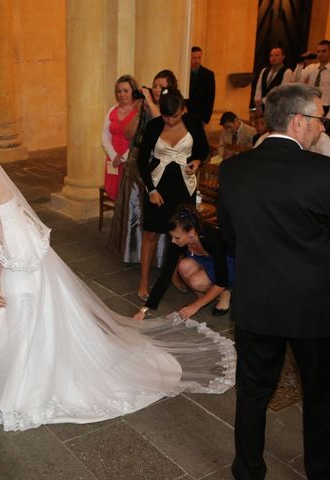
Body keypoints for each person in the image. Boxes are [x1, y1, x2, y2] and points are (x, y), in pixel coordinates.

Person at [0, 128, 235, 432]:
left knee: (14, 307)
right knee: (21, 312)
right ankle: (9, 372)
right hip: (19, 246)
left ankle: (26, 384)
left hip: (12, 255)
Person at [218, 83, 330, 479]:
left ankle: (248, 471)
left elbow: (230, 237)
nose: (323, 126)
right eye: (320, 118)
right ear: (299, 121)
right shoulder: (324, 173)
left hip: (256, 304)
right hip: (313, 309)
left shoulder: (234, 169)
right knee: (320, 398)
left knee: (252, 395)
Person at [136, 89, 209, 302]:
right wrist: (151, 190)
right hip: (158, 185)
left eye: (174, 116)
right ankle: (143, 281)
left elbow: (203, 149)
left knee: (180, 236)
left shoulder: (193, 123)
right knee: (151, 234)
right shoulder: (154, 126)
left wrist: (197, 162)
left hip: (184, 186)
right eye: (166, 116)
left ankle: (175, 275)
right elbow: (141, 162)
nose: (169, 120)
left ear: (183, 110)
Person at [108, 70, 177, 265]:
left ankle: (159, 257)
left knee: (155, 213)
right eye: (154, 85)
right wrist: (139, 111)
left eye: (161, 87)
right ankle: (133, 251)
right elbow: (129, 134)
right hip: (138, 162)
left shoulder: (174, 108)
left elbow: (161, 124)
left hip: (160, 166)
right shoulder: (146, 108)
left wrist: (151, 104)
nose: (156, 89)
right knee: (135, 209)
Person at [133, 205, 233, 321]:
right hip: (208, 263)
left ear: (191, 233)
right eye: (172, 237)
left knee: (197, 282)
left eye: (177, 237)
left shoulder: (211, 237)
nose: (173, 241)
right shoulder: (179, 242)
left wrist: (195, 306)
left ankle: (224, 294)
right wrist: (144, 309)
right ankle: (207, 297)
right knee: (183, 266)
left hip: (228, 265)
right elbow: (166, 275)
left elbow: (222, 280)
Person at [101, 75, 140, 200]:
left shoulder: (138, 112)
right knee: (116, 195)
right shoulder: (112, 110)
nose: (122, 94)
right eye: (119, 91)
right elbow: (105, 136)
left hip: (130, 160)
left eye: (125, 91)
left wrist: (123, 158)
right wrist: (113, 156)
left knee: (129, 196)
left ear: (133, 91)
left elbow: (139, 139)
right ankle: (118, 219)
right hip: (113, 160)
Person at [293, 40, 330, 115]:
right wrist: (301, 62)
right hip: (310, 105)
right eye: (318, 51)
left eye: (324, 51)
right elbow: (296, 81)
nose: (320, 54)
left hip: (325, 107)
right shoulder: (312, 67)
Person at [253, 47, 293, 113]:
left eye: (276, 55)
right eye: (271, 55)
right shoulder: (264, 70)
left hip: (277, 108)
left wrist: (263, 101)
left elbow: (281, 93)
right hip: (262, 108)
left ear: (283, 57)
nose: (273, 58)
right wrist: (257, 103)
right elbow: (259, 88)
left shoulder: (287, 72)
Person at [186, 46, 216, 124]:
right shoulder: (183, 72)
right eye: (194, 58)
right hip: (184, 113)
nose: (197, 61)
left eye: (199, 58)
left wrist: (205, 118)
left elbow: (210, 98)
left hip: (199, 115)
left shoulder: (208, 74)